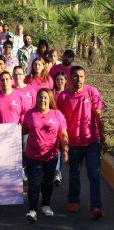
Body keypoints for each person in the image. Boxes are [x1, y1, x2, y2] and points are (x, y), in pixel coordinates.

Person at [57, 66, 106, 220]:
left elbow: (99, 117)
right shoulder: (63, 96)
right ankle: (73, 200)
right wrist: (63, 144)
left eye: (82, 76)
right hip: (73, 142)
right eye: (76, 76)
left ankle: (96, 207)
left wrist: (102, 137)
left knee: (94, 174)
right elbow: (60, 121)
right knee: (74, 173)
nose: (79, 79)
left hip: (91, 140)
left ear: (85, 78)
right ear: (70, 78)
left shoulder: (92, 92)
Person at [22, 88, 69, 222]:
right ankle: (32, 210)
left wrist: (65, 150)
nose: (42, 100)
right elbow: (23, 130)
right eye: (40, 97)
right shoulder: (30, 114)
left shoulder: (57, 114)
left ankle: (45, 205)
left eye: (45, 97)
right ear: (36, 99)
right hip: (32, 156)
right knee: (34, 183)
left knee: (47, 182)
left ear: (50, 100)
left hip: (51, 156)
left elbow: (63, 134)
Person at [52, 72, 68, 186]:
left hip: (67, 124)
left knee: (64, 148)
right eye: (57, 79)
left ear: (65, 81)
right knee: (57, 148)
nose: (59, 82)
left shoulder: (68, 93)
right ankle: (57, 172)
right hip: (55, 124)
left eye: (61, 79)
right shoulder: (51, 93)